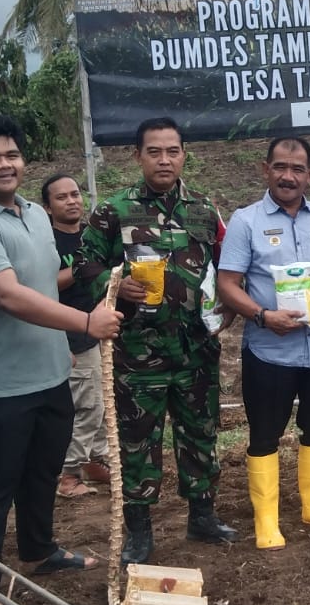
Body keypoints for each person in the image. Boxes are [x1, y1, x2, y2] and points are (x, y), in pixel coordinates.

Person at [0, 114, 121, 605]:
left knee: (42, 471)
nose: (4, 164)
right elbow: (8, 295)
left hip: (49, 372)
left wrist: (60, 345)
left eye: (12, 154)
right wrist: (85, 323)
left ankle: (39, 550)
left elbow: (42, 286)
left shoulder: (36, 215)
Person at [83, 117, 238, 569]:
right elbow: (83, 266)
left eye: (172, 151)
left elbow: (229, 268)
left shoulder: (204, 209)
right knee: (136, 442)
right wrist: (116, 283)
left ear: (184, 154)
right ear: (138, 156)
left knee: (200, 434)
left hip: (196, 351)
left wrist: (228, 308)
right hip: (137, 353)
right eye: (154, 152)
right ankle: (139, 531)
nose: (164, 160)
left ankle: (202, 517)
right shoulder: (113, 211)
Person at [216, 136, 310, 549]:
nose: (288, 177)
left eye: (297, 169)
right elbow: (228, 284)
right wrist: (262, 316)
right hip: (269, 351)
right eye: (280, 167)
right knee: (265, 434)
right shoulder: (246, 221)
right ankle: (267, 520)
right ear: (266, 170)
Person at [41, 173, 110, 499]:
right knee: (87, 406)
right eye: (61, 197)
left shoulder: (90, 235)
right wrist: (79, 267)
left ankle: (95, 460)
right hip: (70, 334)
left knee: (103, 400)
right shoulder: (46, 243)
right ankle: (69, 475)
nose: (72, 201)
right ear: (47, 207)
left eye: (75, 194)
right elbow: (43, 286)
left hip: (99, 330)